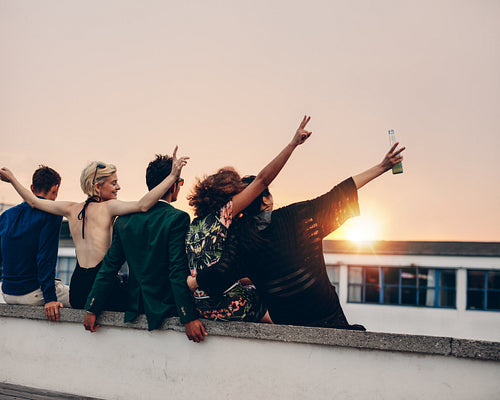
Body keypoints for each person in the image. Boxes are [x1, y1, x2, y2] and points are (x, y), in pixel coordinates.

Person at [187, 142, 406, 330]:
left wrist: (193, 283)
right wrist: (383, 166)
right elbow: (340, 192)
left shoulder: (239, 237)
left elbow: (221, 273)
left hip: (286, 325)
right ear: (266, 200)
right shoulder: (299, 216)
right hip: (328, 318)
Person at [0, 147, 188, 310]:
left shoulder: (70, 209)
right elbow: (143, 205)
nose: (118, 187)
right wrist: (172, 176)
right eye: (114, 183)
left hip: (78, 288)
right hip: (102, 288)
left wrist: (12, 179)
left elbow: (32, 201)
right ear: (98, 186)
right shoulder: (109, 208)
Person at [185, 116, 312, 323]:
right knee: (270, 299)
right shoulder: (224, 214)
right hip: (228, 308)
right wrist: (292, 145)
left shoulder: (194, 225)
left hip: (201, 308)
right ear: (228, 193)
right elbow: (262, 179)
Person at [83, 154, 207, 342]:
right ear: (172, 185)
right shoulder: (178, 218)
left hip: (134, 305)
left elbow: (109, 267)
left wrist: (92, 307)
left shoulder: (124, 220)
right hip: (166, 307)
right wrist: (188, 316)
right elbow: (176, 270)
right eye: (179, 183)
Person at [0, 165, 69, 322]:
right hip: (34, 293)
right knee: (83, 298)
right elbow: (45, 257)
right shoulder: (52, 213)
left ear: (32, 187)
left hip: (8, 292)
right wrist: (50, 298)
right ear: (56, 188)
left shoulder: (6, 215)